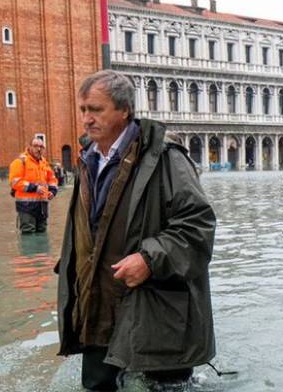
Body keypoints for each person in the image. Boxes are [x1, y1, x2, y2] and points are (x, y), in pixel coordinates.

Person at [55, 70, 217, 391]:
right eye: (83, 109)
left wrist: (149, 259)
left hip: (156, 308)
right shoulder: (88, 159)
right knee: (97, 385)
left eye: (96, 110)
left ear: (124, 110)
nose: (86, 119)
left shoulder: (166, 158)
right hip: (98, 303)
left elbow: (198, 225)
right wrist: (70, 267)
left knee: (164, 387)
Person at [8, 137, 58, 233]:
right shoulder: (20, 162)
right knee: (28, 233)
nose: (39, 149)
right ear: (29, 147)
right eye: (35, 146)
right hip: (26, 207)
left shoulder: (44, 163)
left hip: (42, 206)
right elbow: (15, 182)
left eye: (41, 147)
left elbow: (52, 179)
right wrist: (34, 188)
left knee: (42, 231)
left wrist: (52, 191)